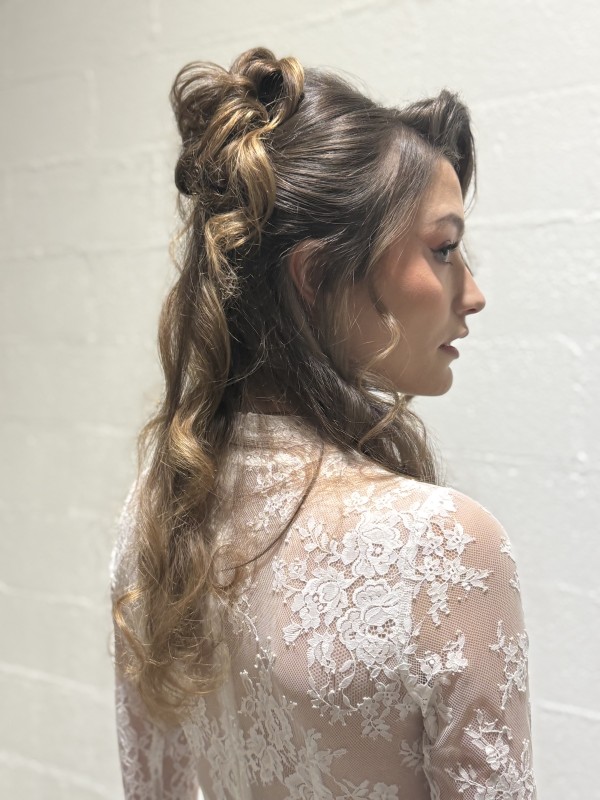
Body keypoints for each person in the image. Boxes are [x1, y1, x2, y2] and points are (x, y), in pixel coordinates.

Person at [110, 46, 536, 799]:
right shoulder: (443, 545)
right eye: (442, 249)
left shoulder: (161, 504)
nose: (472, 293)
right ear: (315, 276)